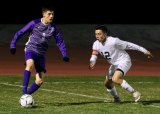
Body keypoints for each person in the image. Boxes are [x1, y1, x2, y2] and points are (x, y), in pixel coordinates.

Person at [10, 6, 70, 96]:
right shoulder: (34, 23)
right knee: (30, 64)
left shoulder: (53, 28)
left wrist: (64, 54)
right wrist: (12, 45)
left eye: (53, 14)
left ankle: (26, 96)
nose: (51, 16)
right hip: (31, 49)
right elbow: (20, 33)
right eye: (49, 14)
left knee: (40, 81)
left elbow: (60, 41)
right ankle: (23, 93)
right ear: (43, 14)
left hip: (41, 54)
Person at [89, 25, 153, 103]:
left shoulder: (114, 41)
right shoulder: (96, 44)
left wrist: (144, 51)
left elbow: (130, 45)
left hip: (124, 61)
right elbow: (94, 55)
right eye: (96, 34)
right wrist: (92, 62)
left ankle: (135, 93)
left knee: (115, 79)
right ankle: (116, 98)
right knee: (107, 84)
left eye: (99, 34)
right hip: (114, 64)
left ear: (105, 34)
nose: (97, 36)